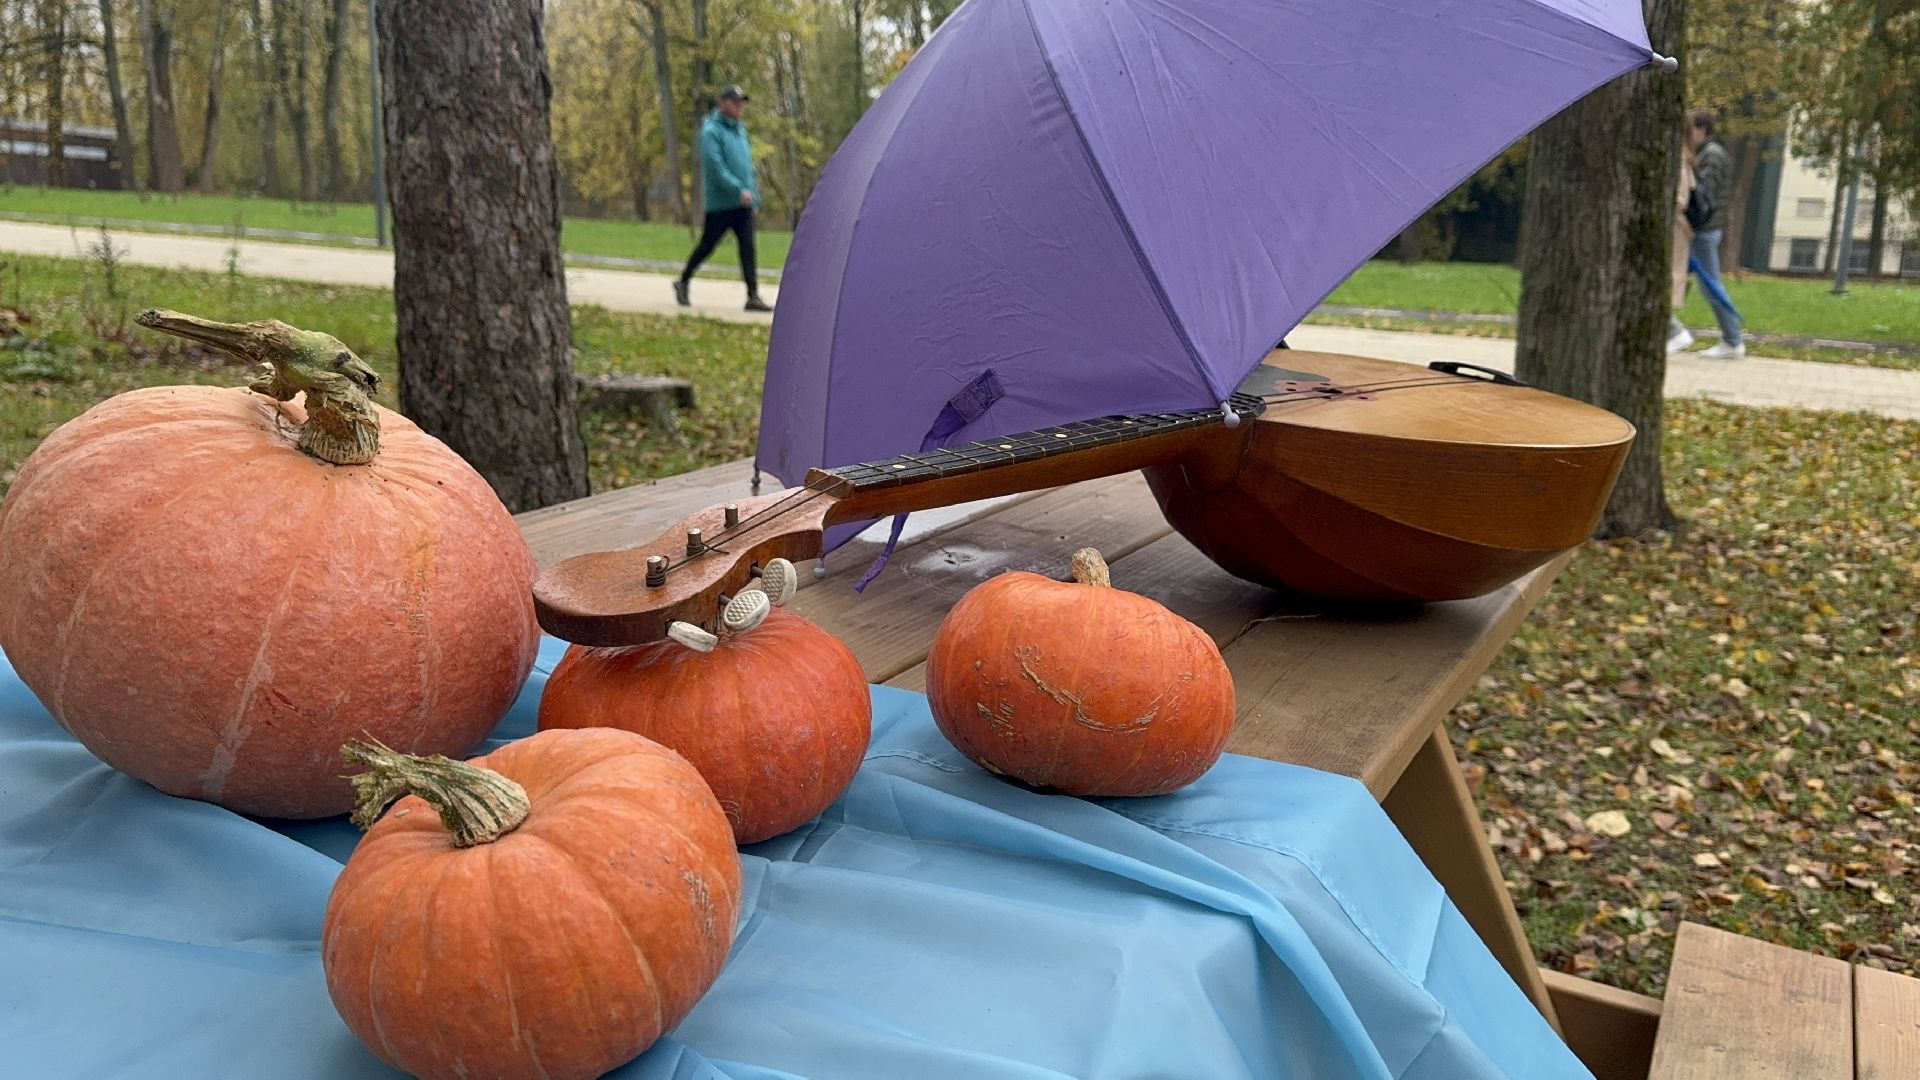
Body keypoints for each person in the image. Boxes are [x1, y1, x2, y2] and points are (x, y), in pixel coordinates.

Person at [675, 84, 771, 313]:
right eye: (736, 102)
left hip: (743, 203)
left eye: (741, 103)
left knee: (748, 248)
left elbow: (747, 168)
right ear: (723, 103)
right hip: (721, 204)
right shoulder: (711, 132)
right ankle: (683, 281)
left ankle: (752, 295)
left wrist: (753, 197)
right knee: (707, 245)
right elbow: (716, 168)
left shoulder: (740, 131)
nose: (740, 107)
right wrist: (738, 189)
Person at [1687, 109, 1744, 359]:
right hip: (1705, 230)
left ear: (1702, 130)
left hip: (1703, 230)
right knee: (1706, 283)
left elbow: (1702, 195)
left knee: (1710, 285)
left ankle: (1733, 340)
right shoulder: (1710, 153)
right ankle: (1732, 340)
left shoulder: (1710, 155)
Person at [1667, 138, 1696, 354]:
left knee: (1667, 279)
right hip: (1676, 227)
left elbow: (1680, 197)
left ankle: (1675, 331)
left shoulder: (1678, 158)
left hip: (1675, 227)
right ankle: (1673, 331)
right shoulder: (1682, 157)